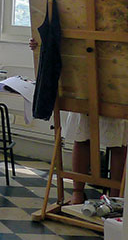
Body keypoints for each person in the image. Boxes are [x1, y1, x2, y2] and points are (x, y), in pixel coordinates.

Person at [29, 39, 126, 204]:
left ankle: (116, 198)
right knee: (82, 137)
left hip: (119, 76)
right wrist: (40, 41)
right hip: (84, 77)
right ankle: (77, 193)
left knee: (118, 143)